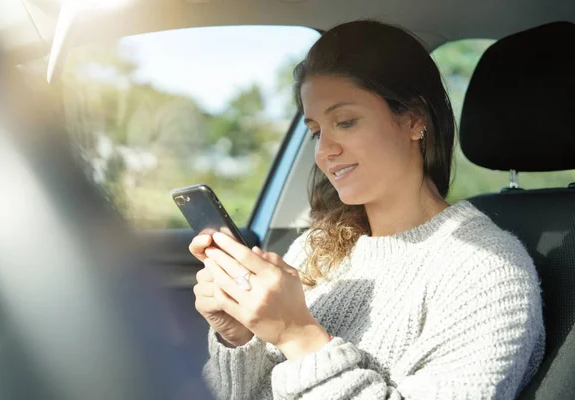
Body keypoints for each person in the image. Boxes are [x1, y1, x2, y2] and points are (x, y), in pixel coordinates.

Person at [190, 20, 545, 399]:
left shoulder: (488, 273)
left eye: (345, 122)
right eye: (315, 131)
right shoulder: (315, 249)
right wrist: (240, 336)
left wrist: (299, 336)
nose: (324, 151)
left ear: (413, 119)